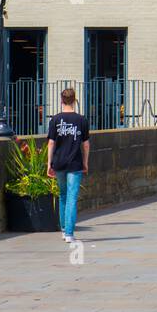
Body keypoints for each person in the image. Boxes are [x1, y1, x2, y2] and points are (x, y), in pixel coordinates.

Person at [46, 87, 90, 242]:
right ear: (75, 100)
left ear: (61, 101)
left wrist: (49, 164)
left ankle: (64, 230)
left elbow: (51, 144)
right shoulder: (81, 120)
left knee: (63, 195)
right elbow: (85, 145)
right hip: (75, 163)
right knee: (72, 196)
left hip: (58, 162)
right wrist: (85, 162)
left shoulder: (55, 120)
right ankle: (69, 233)